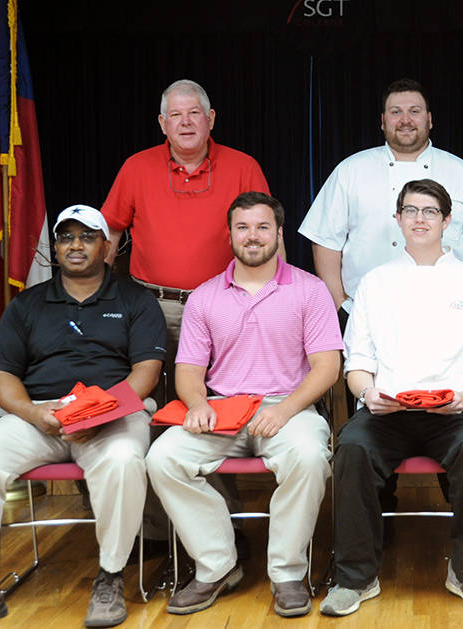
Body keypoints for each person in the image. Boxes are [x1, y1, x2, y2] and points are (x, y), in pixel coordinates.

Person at [0, 206, 165, 629]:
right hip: (42, 415)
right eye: (66, 237)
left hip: (113, 414)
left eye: (87, 236)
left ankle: (110, 577)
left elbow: (145, 373)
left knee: (124, 460)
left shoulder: (135, 300)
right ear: (54, 247)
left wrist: (96, 413)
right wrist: (34, 413)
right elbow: (3, 378)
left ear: (106, 246)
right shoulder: (27, 305)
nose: (76, 245)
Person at [145, 192, 341, 617]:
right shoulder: (204, 296)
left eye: (262, 227)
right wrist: (197, 403)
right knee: (162, 457)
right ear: (229, 234)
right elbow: (189, 373)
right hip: (222, 411)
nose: (253, 236)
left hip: (289, 410)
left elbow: (327, 368)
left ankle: (287, 573)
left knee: (309, 457)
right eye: (243, 227)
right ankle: (217, 565)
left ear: (278, 234)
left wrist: (284, 410)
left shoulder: (310, 290)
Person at [320, 179, 463, 617]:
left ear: (446, 221)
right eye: (410, 210)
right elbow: (358, 361)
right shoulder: (376, 283)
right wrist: (368, 393)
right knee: (351, 446)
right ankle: (356, 578)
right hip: (389, 410)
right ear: (398, 220)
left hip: (457, 409)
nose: (419, 219)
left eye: (429, 212)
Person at [101, 79, 270, 386]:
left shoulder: (244, 167)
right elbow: (110, 232)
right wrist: (98, 294)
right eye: (176, 115)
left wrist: (271, 297)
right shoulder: (136, 167)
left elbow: (269, 236)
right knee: (151, 394)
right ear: (163, 124)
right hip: (152, 306)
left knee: (226, 393)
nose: (186, 122)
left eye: (194, 112)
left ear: (211, 119)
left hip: (226, 303)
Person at [299, 78, 463, 317]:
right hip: (367, 311)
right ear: (383, 121)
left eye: (414, 112)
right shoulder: (350, 171)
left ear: (429, 119)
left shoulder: (462, 172)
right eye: (396, 112)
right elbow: (325, 241)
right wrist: (340, 307)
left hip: (448, 312)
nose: (405, 120)